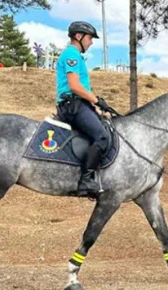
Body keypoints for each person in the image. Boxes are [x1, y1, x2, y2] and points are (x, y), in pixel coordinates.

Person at [56, 21, 114, 197]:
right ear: (79, 37)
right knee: (102, 137)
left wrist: (95, 107)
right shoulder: (71, 55)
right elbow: (74, 86)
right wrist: (97, 100)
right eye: (89, 38)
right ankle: (85, 181)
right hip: (72, 106)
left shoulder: (76, 56)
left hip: (79, 105)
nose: (91, 42)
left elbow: (81, 88)